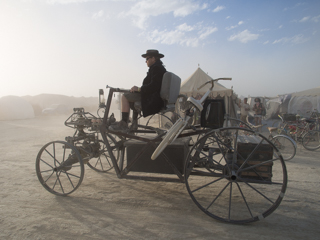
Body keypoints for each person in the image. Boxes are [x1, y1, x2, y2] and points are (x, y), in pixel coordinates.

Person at [109, 49, 167, 131]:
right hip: (155, 98)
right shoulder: (158, 68)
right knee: (132, 95)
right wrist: (138, 90)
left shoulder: (156, 69)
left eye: (147, 59)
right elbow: (153, 85)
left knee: (124, 97)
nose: (145, 61)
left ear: (153, 58)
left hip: (153, 100)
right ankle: (134, 123)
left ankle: (124, 123)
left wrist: (139, 89)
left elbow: (154, 86)